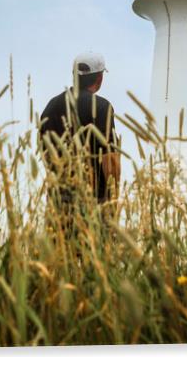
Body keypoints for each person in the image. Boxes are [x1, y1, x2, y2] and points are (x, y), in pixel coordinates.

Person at [39, 52, 120, 237]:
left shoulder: (51, 106)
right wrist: (114, 200)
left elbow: (45, 151)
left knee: (60, 260)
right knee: (95, 261)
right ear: (99, 78)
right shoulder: (101, 107)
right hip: (95, 203)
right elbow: (110, 160)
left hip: (58, 202)